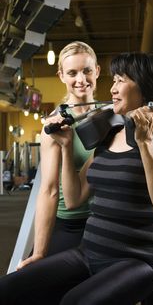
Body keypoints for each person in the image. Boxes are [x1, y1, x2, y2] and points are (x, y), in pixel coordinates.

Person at [0, 52, 153, 305]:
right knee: (8, 288)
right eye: (114, 80)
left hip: (138, 260)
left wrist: (145, 142)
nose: (113, 88)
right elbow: (74, 199)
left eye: (121, 80)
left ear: (146, 87)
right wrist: (66, 147)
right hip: (88, 253)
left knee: (74, 302)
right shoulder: (110, 135)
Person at [18, 41, 101, 269]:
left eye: (87, 70)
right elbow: (49, 189)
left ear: (97, 71)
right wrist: (40, 252)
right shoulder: (56, 125)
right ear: (61, 75)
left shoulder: (111, 115)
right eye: (72, 73)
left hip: (106, 219)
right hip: (71, 222)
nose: (81, 80)